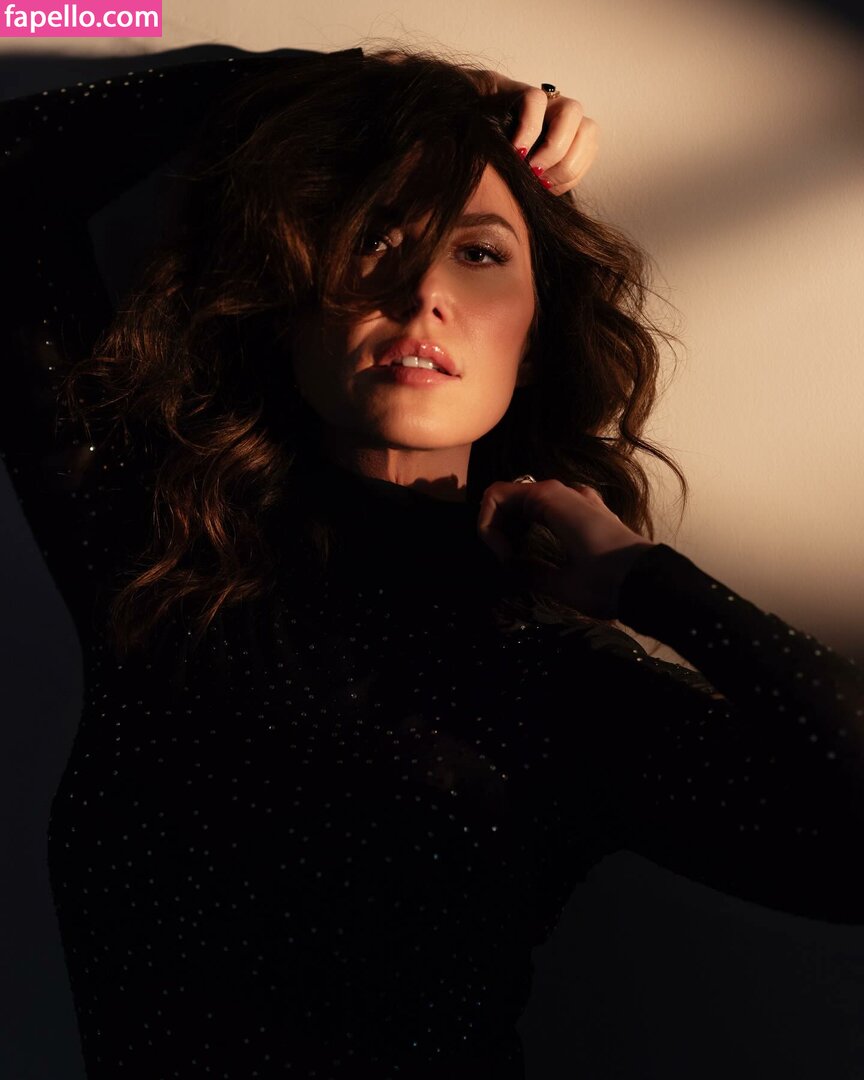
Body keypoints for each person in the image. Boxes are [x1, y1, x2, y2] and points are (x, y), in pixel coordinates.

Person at [1, 43, 862, 1080]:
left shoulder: (560, 689)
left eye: (480, 253)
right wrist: (364, 86)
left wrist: (653, 585)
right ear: (287, 306)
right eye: (371, 238)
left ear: (535, 339)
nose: (420, 294)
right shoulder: (154, 563)